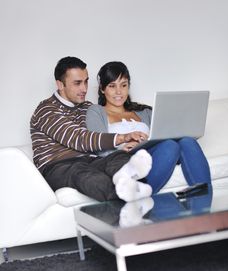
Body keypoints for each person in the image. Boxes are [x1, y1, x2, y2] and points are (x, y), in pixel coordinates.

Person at [30, 56, 154, 202]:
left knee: (118, 157)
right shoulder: (46, 109)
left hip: (89, 160)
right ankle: (129, 199)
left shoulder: (87, 107)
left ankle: (133, 184)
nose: (84, 88)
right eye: (77, 83)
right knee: (85, 174)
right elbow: (79, 138)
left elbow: (101, 132)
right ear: (60, 84)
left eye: (86, 81)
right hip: (57, 166)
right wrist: (122, 137)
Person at [86, 61, 212, 193]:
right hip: (124, 158)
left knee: (187, 141)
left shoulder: (144, 111)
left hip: (152, 153)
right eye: (112, 86)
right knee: (170, 145)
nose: (119, 91)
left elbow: (163, 134)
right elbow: (98, 144)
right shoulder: (96, 111)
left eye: (123, 85)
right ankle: (137, 193)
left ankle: (205, 197)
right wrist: (122, 148)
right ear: (102, 88)